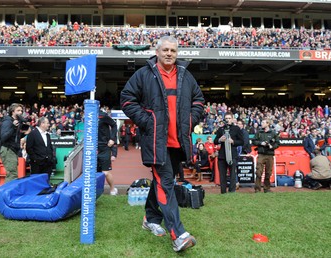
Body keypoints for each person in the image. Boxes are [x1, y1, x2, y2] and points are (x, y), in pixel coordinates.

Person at [120, 36, 204, 252]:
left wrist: (190, 120)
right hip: (156, 141)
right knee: (166, 182)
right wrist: (147, 121)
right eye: (165, 50)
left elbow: (199, 101)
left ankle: (150, 218)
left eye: (173, 51)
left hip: (178, 142)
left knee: (162, 182)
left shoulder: (185, 75)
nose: (169, 54)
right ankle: (178, 235)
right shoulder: (143, 74)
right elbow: (127, 99)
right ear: (157, 52)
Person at [214, 112, 243, 194]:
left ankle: (232, 191)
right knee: (222, 175)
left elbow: (241, 141)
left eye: (229, 118)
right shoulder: (221, 129)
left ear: (232, 118)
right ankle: (223, 192)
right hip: (222, 155)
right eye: (226, 118)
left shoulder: (236, 129)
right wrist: (220, 140)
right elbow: (215, 141)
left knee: (233, 174)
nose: (227, 120)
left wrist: (233, 141)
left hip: (232, 155)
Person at [252, 119, 280, 193]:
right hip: (261, 154)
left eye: (263, 122)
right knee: (258, 172)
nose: (261, 124)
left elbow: (277, 143)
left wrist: (272, 146)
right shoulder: (259, 132)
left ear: (268, 124)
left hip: (270, 154)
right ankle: (257, 189)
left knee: (268, 173)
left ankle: (266, 188)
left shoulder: (273, 133)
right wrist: (261, 143)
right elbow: (253, 141)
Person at [0, 103, 24, 182]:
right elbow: (3, 137)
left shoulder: (16, 122)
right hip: (8, 149)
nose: (20, 112)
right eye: (18, 110)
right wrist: (13, 127)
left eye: (21, 110)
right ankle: (8, 193)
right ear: (12, 112)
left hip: (13, 149)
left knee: (13, 173)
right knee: (12, 174)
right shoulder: (7, 122)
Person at [98, 106, 118, 195]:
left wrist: (112, 139)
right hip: (92, 148)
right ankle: (97, 191)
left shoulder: (103, 116)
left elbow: (114, 124)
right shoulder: (87, 117)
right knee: (94, 173)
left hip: (104, 147)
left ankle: (113, 189)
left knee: (105, 172)